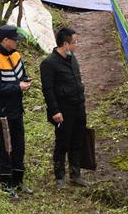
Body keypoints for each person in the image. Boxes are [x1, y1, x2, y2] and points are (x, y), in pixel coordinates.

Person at [0, 24, 33, 200]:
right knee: (4, 148)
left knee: (19, 145)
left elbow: (20, 75)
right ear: (5, 41)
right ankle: (6, 183)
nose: (17, 43)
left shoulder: (16, 55)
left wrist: (25, 82)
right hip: (1, 113)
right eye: (14, 40)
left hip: (16, 110)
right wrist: (17, 87)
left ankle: (18, 181)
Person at [40, 27, 90, 188]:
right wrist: (55, 110)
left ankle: (76, 174)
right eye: (74, 42)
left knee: (77, 141)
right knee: (62, 142)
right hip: (63, 109)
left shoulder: (72, 59)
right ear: (65, 44)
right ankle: (59, 176)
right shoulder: (49, 64)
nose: (77, 45)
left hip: (78, 106)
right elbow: (48, 90)